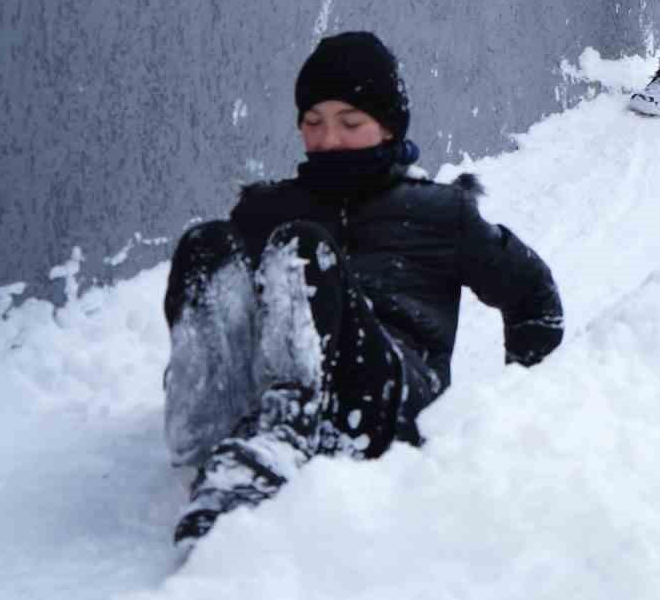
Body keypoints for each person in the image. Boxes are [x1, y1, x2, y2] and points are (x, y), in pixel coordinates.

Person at [161, 31, 563, 549]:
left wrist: (522, 405)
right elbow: (225, 302)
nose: (328, 140)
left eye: (349, 123)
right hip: (274, 384)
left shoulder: (440, 213)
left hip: (384, 399)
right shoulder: (269, 210)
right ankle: (215, 423)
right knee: (206, 245)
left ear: (388, 127)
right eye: (312, 123)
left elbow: (533, 293)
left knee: (302, 249)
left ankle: (278, 440)